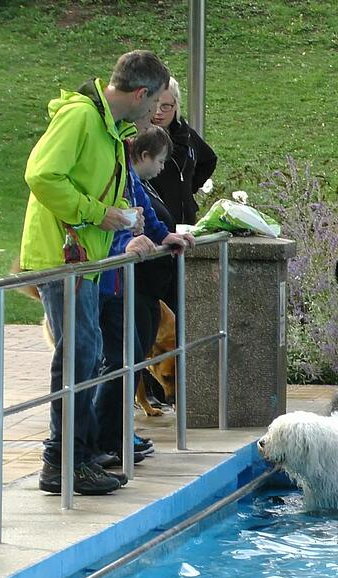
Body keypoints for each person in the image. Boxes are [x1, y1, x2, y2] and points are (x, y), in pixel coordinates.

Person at [21, 50, 170, 495]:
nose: (156, 113)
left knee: (87, 355)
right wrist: (99, 213)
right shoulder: (81, 117)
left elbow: (93, 188)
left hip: (84, 260)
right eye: (156, 102)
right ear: (141, 93)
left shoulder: (109, 130)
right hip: (60, 258)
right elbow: (41, 174)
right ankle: (61, 461)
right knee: (79, 356)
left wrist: (124, 218)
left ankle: (77, 454)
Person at [92, 124, 193, 466]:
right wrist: (126, 244)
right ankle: (100, 439)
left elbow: (142, 212)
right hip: (111, 279)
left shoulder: (132, 175)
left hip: (130, 283)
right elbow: (114, 215)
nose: (163, 169)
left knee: (129, 359)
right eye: (161, 162)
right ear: (144, 155)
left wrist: (165, 235)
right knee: (115, 362)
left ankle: (114, 436)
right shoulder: (112, 158)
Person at [149, 77, 217, 227]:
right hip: (156, 224)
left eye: (166, 106)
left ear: (176, 106)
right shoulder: (142, 137)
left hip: (186, 223)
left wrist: (187, 188)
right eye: (155, 105)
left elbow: (209, 160)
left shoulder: (186, 134)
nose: (158, 112)